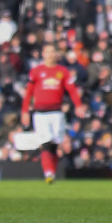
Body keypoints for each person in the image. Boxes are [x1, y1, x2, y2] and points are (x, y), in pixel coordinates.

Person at [21, 42, 84, 183]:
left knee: (55, 143)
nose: (50, 54)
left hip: (57, 113)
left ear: (56, 54)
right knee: (46, 142)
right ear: (43, 54)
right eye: (47, 52)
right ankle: (48, 172)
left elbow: (71, 89)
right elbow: (28, 92)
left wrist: (78, 105)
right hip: (40, 113)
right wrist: (24, 111)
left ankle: (52, 173)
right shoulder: (36, 71)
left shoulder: (63, 71)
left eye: (52, 51)